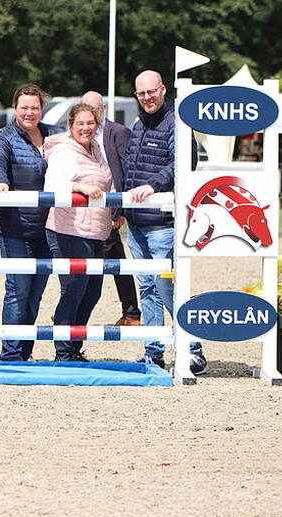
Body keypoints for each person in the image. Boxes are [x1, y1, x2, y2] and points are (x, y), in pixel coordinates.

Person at [123, 70, 207, 374]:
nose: (147, 98)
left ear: (163, 90)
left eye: (151, 92)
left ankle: (192, 350)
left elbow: (184, 163)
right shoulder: (138, 124)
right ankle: (153, 351)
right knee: (146, 288)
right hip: (136, 223)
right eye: (141, 94)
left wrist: (154, 185)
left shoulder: (177, 123)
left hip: (163, 222)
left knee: (167, 287)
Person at [0, 84, 63, 362]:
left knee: (35, 294)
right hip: (15, 228)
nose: (29, 112)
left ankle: (25, 352)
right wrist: (1, 182)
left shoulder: (56, 134)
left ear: (41, 109)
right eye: (24, 107)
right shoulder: (2, 137)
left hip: (50, 227)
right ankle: (10, 354)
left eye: (34, 107)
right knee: (18, 291)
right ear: (15, 108)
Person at [44, 103, 113, 362]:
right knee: (74, 289)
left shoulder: (95, 148)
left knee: (92, 292)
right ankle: (63, 350)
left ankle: (74, 347)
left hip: (95, 231)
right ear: (71, 126)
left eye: (90, 123)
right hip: (69, 230)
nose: (86, 128)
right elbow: (53, 184)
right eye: (80, 124)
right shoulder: (64, 151)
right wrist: (79, 186)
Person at [80, 91, 141, 327]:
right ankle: (129, 312)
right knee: (99, 262)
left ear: (103, 108)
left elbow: (127, 173)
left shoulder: (118, 132)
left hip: (110, 206)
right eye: (85, 107)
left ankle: (130, 313)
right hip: (84, 208)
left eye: (94, 108)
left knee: (113, 262)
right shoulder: (78, 132)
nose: (91, 113)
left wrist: (120, 210)